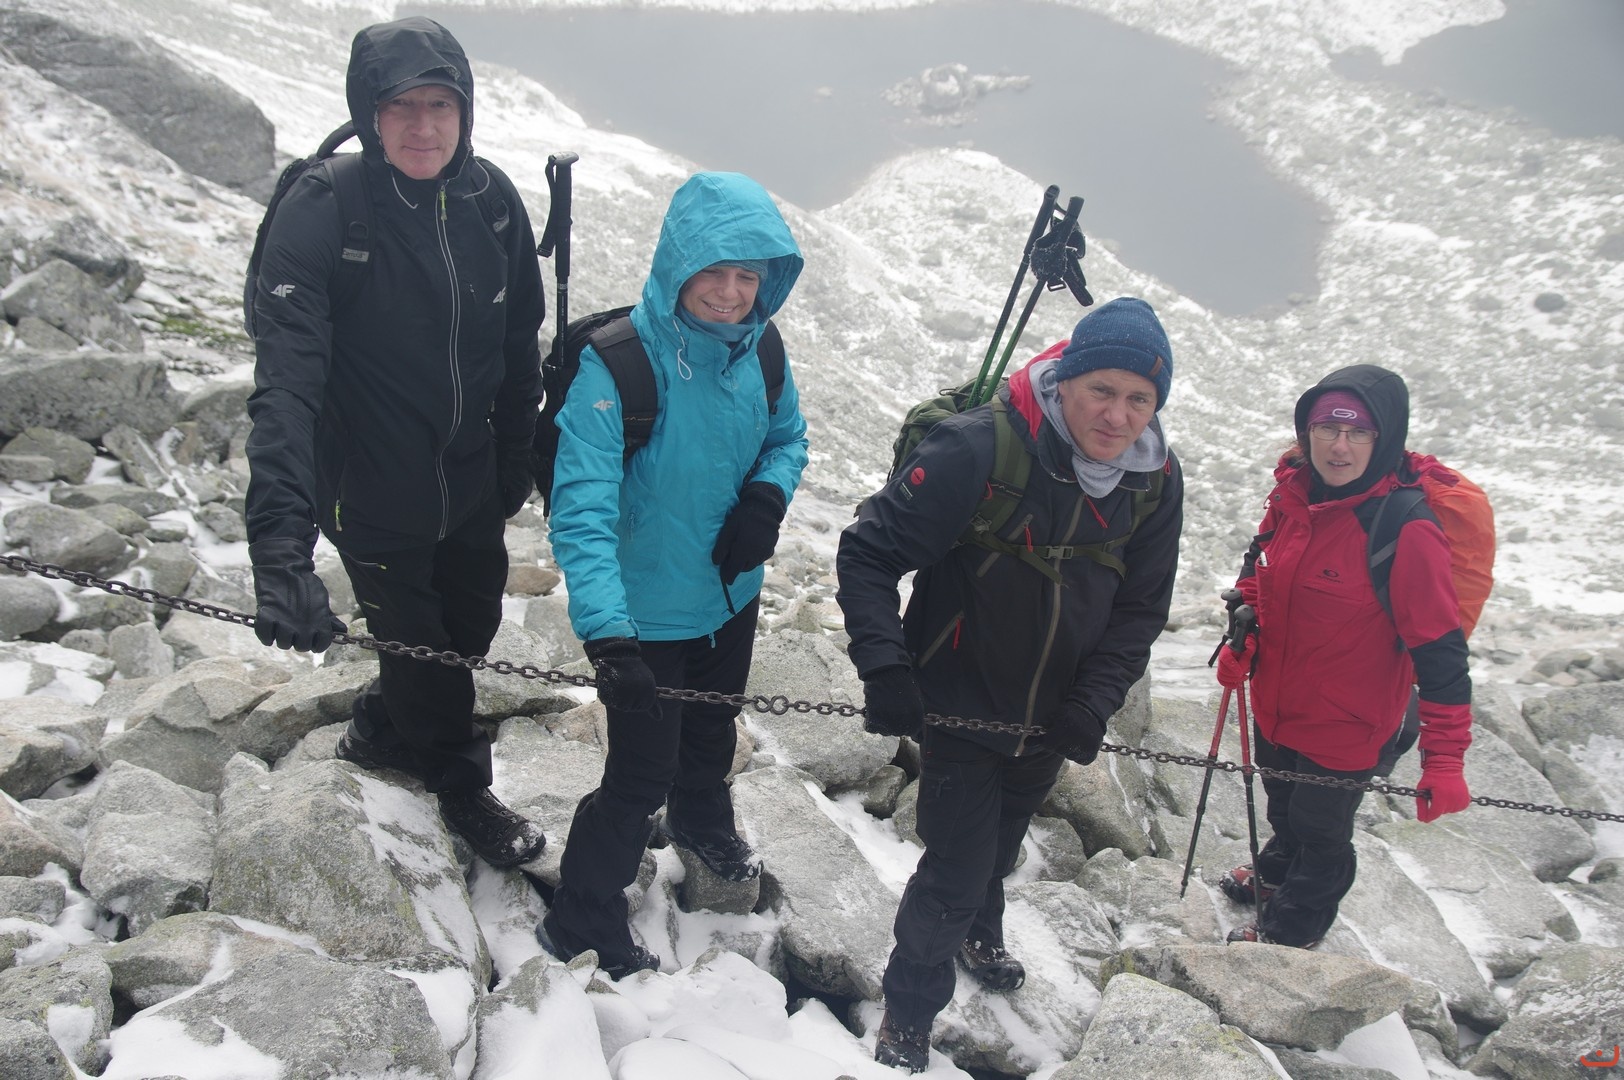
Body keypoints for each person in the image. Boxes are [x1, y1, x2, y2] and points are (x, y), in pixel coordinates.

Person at [837, 297, 1184, 1073]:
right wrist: (885, 666)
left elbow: (1140, 608)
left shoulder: (1155, 480)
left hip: (1055, 714)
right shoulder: (978, 449)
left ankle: (979, 930)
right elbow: (867, 553)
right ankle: (907, 1013)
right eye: (1102, 390)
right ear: (1067, 379)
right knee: (955, 868)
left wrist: (1093, 702)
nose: (1118, 415)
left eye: (1140, 398)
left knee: (999, 839)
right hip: (957, 699)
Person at [243, 17, 548, 867]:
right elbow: (287, 387)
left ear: (465, 111)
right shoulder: (326, 209)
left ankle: (381, 726)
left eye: (439, 105)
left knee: (468, 628)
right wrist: (280, 554)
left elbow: (519, 345)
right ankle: (462, 788)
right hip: (367, 486)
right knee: (428, 651)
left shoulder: (491, 204)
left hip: (468, 480)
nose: (422, 126)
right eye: (400, 106)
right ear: (368, 114)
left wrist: (514, 459)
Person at [539, 172, 808, 979]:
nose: (730, 292)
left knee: (712, 726)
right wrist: (608, 636)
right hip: (644, 613)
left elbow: (787, 437)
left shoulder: (761, 348)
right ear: (677, 265)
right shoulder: (617, 366)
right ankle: (582, 913)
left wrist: (767, 496)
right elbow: (581, 510)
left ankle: (701, 818)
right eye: (713, 271)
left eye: (748, 274)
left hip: (729, 592)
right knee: (637, 775)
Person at [1216, 364, 1474, 948]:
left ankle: (1295, 927)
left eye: (1359, 432)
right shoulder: (1292, 497)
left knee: (1322, 828)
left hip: (1349, 721)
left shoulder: (1404, 528)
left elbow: (1440, 652)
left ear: (1385, 439)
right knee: (1283, 802)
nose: (1339, 446)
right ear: (1306, 432)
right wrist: (1244, 638)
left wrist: (1445, 759)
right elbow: (1260, 571)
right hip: (1278, 701)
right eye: (1326, 429)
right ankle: (1277, 869)